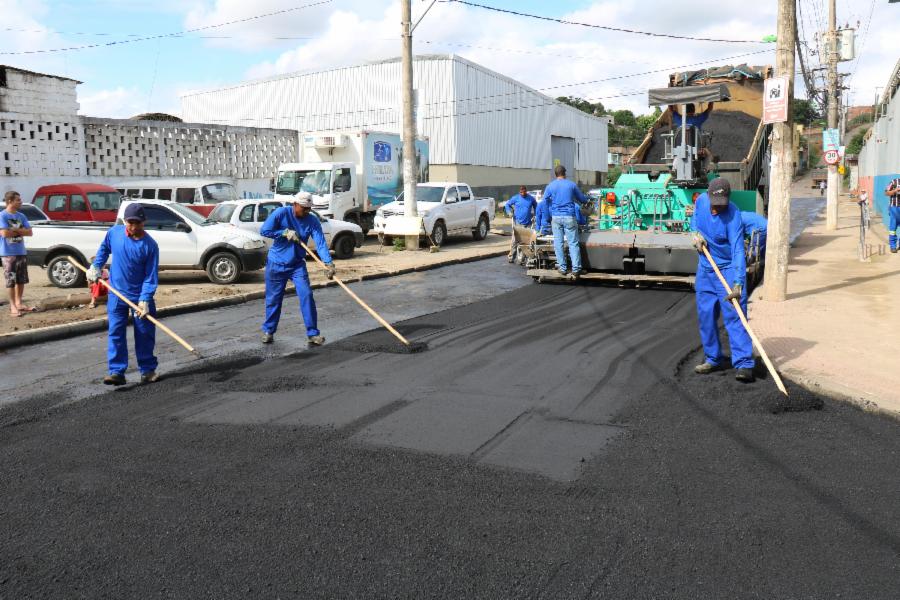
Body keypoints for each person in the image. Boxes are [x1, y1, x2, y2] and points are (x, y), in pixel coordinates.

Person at [87, 203, 160, 386]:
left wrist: (145, 299)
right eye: (130, 223)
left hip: (139, 296)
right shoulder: (115, 233)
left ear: (144, 222)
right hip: (116, 294)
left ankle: (147, 370)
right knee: (115, 332)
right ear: (124, 221)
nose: (133, 227)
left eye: (137, 223)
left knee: (144, 334)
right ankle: (117, 372)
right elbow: (104, 249)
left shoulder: (150, 246)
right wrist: (96, 266)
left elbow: (151, 276)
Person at [691, 178, 755, 382]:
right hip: (705, 269)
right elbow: (694, 222)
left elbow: (737, 250)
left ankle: (744, 363)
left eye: (722, 203)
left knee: (735, 315)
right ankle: (713, 358)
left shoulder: (733, 214)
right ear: (708, 196)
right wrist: (695, 236)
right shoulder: (700, 202)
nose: (717, 207)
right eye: (714, 202)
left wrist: (738, 282)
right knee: (706, 315)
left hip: (727, 269)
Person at [259, 191, 335, 345]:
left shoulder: (312, 221)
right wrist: (284, 232)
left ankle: (313, 333)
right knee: (274, 299)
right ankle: (269, 331)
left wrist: (328, 263)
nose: (307, 211)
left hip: (297, 265)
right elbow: (264, 230)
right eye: (304, 208)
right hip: (276, 264)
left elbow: (320, 243)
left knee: (306, 295)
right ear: (295, 204)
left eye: (309, 208)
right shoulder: (281, 213)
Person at [543, 165, 590, 277]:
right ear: (565, 173)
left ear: (555, 174)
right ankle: (576, 269)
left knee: (558, 243)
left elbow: (545, 201)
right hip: (569, 216)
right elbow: (582, 199)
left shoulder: (550, 186)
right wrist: (587, 198)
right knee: (573, 243)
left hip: (556, 217)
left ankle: (562, 268)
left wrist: (547, 216)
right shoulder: (571, 185)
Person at [1, 191, 35, 317]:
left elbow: (30, 232)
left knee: (21, 280)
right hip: (8, 253)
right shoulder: (2, 216)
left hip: (21, 252)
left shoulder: (22, 216)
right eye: (18, 200)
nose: (20, 202)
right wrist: (21, 231)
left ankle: (19, 302)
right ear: (10, 201)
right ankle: (12, 306)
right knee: (11, 280)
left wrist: (14, 230)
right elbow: (4, 234)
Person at [505, 186, 537, 262]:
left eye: (524, 192)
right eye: (521, 192)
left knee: (526, 241)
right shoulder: (515, 198)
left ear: (526, 191)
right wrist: (509, 212)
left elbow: (536, 206)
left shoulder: (531, 199)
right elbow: (507, 205)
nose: (522, 194)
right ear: (519, 192)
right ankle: (511, 256)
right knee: (515, 241)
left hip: (528, 223)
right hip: (518, 223)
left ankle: (523, 257)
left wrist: (535, 215)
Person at [886, 178, 900, 253]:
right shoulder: (894, 182)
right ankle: (893, 246)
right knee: (893, 228)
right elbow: (886, 193)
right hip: (894, 208)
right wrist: (895, 191)